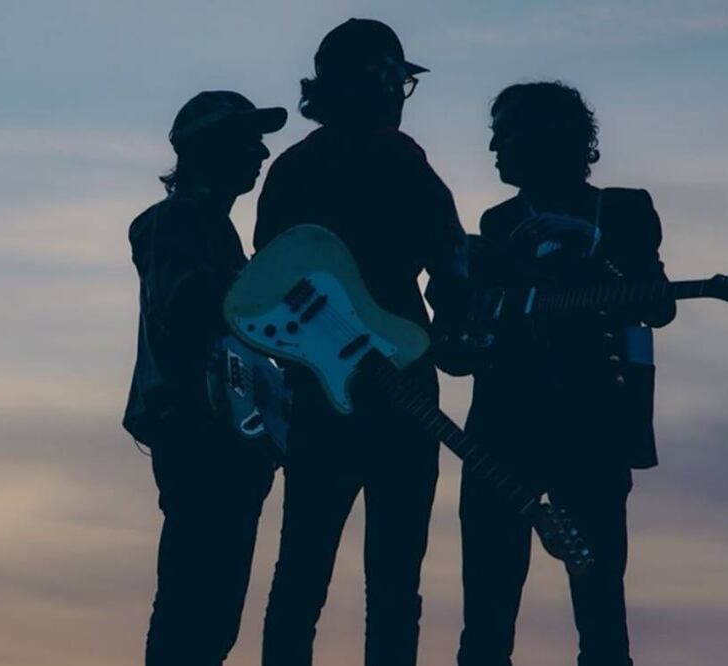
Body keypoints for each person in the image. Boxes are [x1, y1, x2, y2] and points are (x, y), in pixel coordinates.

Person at [254, 19, 470, 666]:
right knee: (394, 581)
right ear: (379, 83)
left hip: (317, 393)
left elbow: (263, 285)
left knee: (300, 572)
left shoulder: (294, 167)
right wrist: (458, 329)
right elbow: (451, 259)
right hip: (400, 387)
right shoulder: (398, 158)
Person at [455, 81, 676, 666]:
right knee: (487, 615)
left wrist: (594, 243)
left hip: (591, 429)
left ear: (546, 137)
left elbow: (657, 304)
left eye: (504, 130)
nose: (494, 145)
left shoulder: (622, 209)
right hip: (500, 430)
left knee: (601, 613)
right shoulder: (497, 222)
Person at [124, 90, 287, 666]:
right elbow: (189, 305)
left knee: (210, 614)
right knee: (195, 606)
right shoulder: (173, 223)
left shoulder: (210, 230)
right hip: (199, 432)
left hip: (226, 436)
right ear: (203, 150)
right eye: (246, 140)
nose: (260, 152)